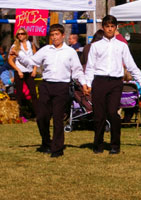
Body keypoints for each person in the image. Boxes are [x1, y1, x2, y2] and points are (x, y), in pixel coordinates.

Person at [12, 24, 85, 157]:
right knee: (41, 117)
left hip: (62, 86)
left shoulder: (70, 52)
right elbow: (32, 61)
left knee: (58, 118)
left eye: (57, 34)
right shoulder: (46, 50)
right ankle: (46, 143)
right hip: (46, 85)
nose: (54, 37)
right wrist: (19, 55)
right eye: (52, 35)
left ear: (63, 36)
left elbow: (77, 70)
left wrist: (84, 83)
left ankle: (57, 148)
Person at [84, 15, 141, 155]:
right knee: (99, 115)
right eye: (107, 26)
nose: (110, 29)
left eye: (112, 26)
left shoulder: (122, 46)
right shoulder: (96, 46)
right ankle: (98, 145)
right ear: (103, 28)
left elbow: (131, 65)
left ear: (116, 28)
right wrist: (87, 84)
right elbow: (90, 67)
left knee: (113, 113)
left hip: (115, 82)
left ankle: (115, 145)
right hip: (99, 81)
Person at [8, 28, 38, 118]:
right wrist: (18, 70)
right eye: (18, 34)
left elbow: (36, 58)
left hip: (29, 71)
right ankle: (20, 114)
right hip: (20, 71)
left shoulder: (31, 44)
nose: (20, 35)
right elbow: (10, 60)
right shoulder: (15, 46)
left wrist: (35, 69)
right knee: (19, 93)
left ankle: (37, 113)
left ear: (26, 35)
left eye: (22, 34)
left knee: (33, 93)